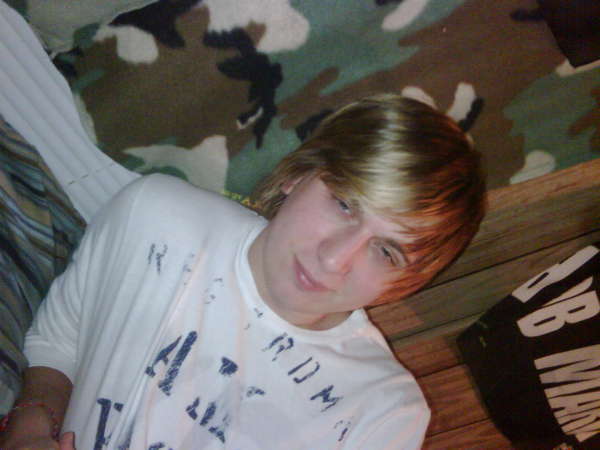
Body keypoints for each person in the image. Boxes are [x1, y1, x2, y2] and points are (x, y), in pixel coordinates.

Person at [0, 94, 486, 449]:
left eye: (386, 251)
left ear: (409, 279)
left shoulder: (383, 413)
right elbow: (59, 341)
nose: (335, 259)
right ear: (298, 174)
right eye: (343, 203)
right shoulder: (154, 215)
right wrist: (28, 427)